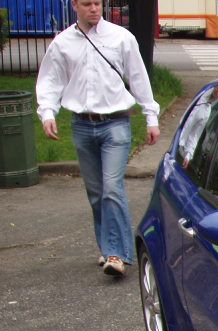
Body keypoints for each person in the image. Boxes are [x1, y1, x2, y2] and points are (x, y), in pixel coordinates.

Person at [35, 0, 160, 278]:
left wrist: (151, 116)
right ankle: (108, 246)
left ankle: (117, 254)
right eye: (87, 3)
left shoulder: (121, 38)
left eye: (98, 3)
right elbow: (50, 81)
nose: (94, 8)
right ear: (75, 6)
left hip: (115, 123)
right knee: (96, 193)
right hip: (82, 124)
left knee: (112, 188)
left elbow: (139, 77)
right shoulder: (63, 43)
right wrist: (47, 113)